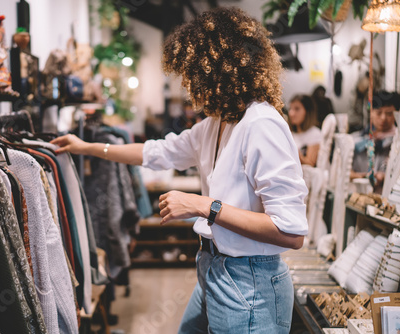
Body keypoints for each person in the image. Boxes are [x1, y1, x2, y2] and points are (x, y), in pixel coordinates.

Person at [51, 7, 308, 333]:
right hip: (214, 267)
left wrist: (203, 206)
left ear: (217, 71)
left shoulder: (263, 125)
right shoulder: (217, 124)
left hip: (249, 281)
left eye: (191, 74)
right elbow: (157, 151)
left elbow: (291, 231)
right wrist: (86, 147)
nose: (188, 86)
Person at [350, 90, 400, 193]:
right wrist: (362, 176)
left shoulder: (399, 143)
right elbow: (342, 171)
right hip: (358, 197)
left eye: (389, 114)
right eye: (379, 113)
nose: (383, 118)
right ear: (371, 112)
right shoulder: (355, 141)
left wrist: (386, 177)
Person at [287, 94, 322, 166]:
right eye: (290, 109)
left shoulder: (314, 133)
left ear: (307, 111)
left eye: (297, 109)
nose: (291, 113)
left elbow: (311, 164)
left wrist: (295, 152)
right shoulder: (290, 133)